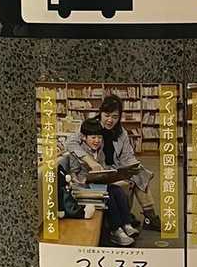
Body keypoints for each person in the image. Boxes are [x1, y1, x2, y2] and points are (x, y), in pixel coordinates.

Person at [64, 118, 137, 246]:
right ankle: (115, 230)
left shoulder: (100, 149)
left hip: (98, 184)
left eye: (99, 137)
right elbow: (74, 173)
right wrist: (80, 180)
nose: (97, 141)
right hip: (83, 188)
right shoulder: (78, 152)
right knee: (109, 195)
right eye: (93, 137)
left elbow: (102, 166)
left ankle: (126, 224)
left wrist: (111, 173)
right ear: (83, 137)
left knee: (118, 191)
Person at [97, 94, 159, 230]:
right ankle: (140, 217)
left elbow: (127, 155)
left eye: (115, 117)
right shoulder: (92, 127)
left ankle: (150, 216)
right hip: (100, 170)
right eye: (107, 115)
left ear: (119, 117)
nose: (110, 120)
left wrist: (134, 166)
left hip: (116, 167)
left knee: (138, 173)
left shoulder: (121, 132)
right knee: (132, 180)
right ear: (100, 113)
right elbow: (73, 143)